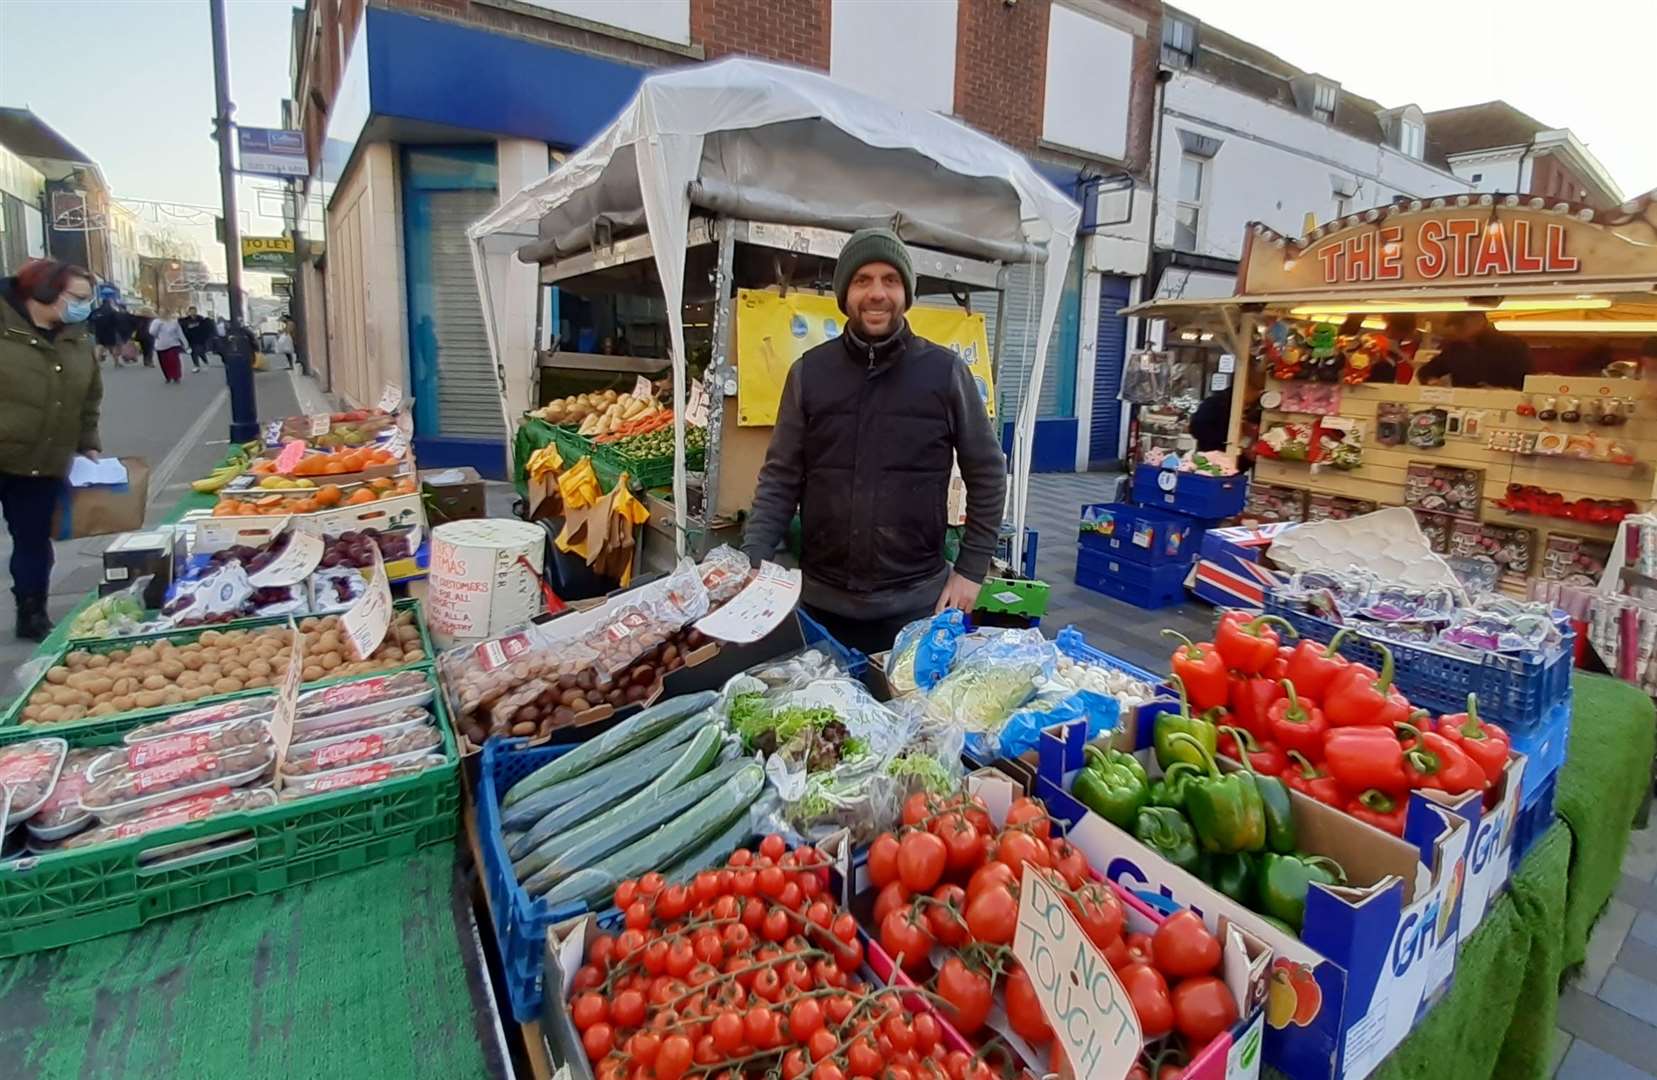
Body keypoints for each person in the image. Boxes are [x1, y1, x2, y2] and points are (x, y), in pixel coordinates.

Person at [740, 227, 1006, 655]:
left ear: (906, 293)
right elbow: (780, 477)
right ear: (845, 293)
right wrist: (753, 557)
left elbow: (988, 473)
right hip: (818, 603)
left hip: (918, 604)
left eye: (890, 280)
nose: (877, 293)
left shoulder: (945, 373)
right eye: (863, 280)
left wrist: (972, 570)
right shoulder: (809, 374)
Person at [0, 259, 103, 640]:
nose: (85, 305)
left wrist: (87, 440)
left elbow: (90, 394)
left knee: (32, 541)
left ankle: (32, 612)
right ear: (42, 292)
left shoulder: (76, 336)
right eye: (77, 297)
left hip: (41, 458)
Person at [1417, 311, 1531, 389]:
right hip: (1463, 409)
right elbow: (1426, 372)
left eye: (1461, 323)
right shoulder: (1456, 348)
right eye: (1455, 325)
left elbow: (1527, 382)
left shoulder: (1513, 345)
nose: (1457, 328)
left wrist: (1500, 392)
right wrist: (1432, 381)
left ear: (1479, 320)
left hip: (1503, 410)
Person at [149, 310, 188, 384]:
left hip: (173, 344)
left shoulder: (174, 322)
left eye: (166, 313)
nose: (165, 315)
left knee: (174, 361)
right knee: (164, 363)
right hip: (161, 345)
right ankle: (168, 377)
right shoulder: (156, 322)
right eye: (162, 313)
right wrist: (158, 326)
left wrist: (185, 343)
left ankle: (176, 376)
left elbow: (180, 333)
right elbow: (152, 332)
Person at [179, 306, 215, 371]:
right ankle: (196, 365)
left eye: (194, 311)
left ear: (196, 311)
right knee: (193, 352)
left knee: (199, 351)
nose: (193, 313)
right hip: (191, 339)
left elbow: (206, 327)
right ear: (189, 312)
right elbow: (183, 328)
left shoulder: (200, 319)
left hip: (199, 339)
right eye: (191, 311)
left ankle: (205, 360)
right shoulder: (186, 320)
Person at [90, 298, 124, 365]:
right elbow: (117, 321)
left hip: (99, 332)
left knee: (99, 346)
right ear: (109, 303)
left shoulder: (97, 311)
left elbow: (91, 320)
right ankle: (116, 362)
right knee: (114, 346)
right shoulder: (112, 311)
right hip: (110, 332)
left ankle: (96, 363)